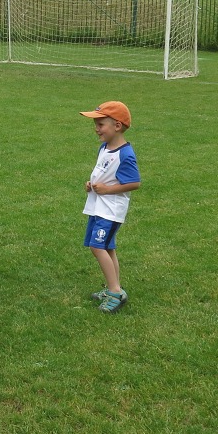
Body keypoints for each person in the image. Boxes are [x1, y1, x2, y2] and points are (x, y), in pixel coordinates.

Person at [79, 101, 141, 313]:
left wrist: (107, 189)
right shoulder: (104, 148)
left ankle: (114, 291)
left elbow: (135, 183)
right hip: (98, 206)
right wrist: (92, 184)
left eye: (100, 124)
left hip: (111, 209)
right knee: (107, 247)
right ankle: (116, 288)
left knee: (98, 246)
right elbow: (103, 172)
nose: (96, 128)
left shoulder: (126, 154)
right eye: (95, 124)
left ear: (117, 125)